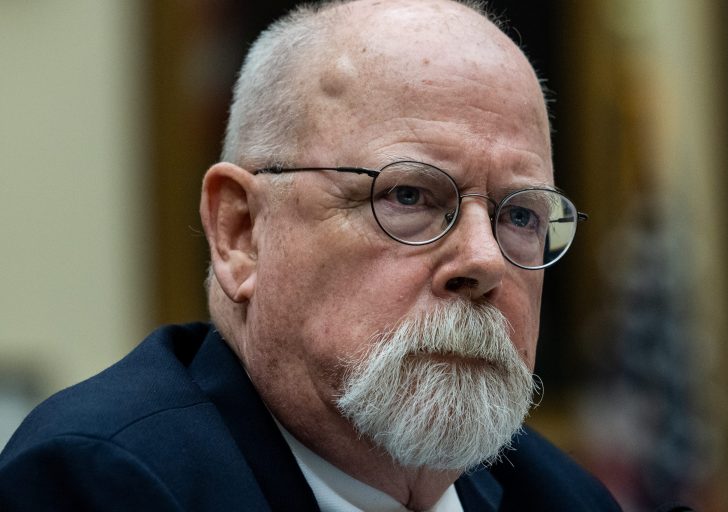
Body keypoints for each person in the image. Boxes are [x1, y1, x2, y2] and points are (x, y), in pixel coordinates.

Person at [0, 0, 621, 510]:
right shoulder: (100, 483)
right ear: (241, 233)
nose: (485, 261)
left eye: (520, 215)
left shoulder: (562, 498)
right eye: (409, 195)